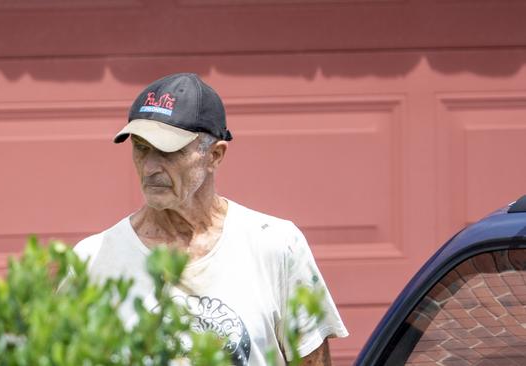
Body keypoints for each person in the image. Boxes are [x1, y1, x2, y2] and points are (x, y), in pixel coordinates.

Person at [73, 73, 348, 365]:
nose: (150, 167)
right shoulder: (93, 259)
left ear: (215, 156)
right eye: (141, 148)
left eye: (168, 151)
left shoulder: (276, 245)